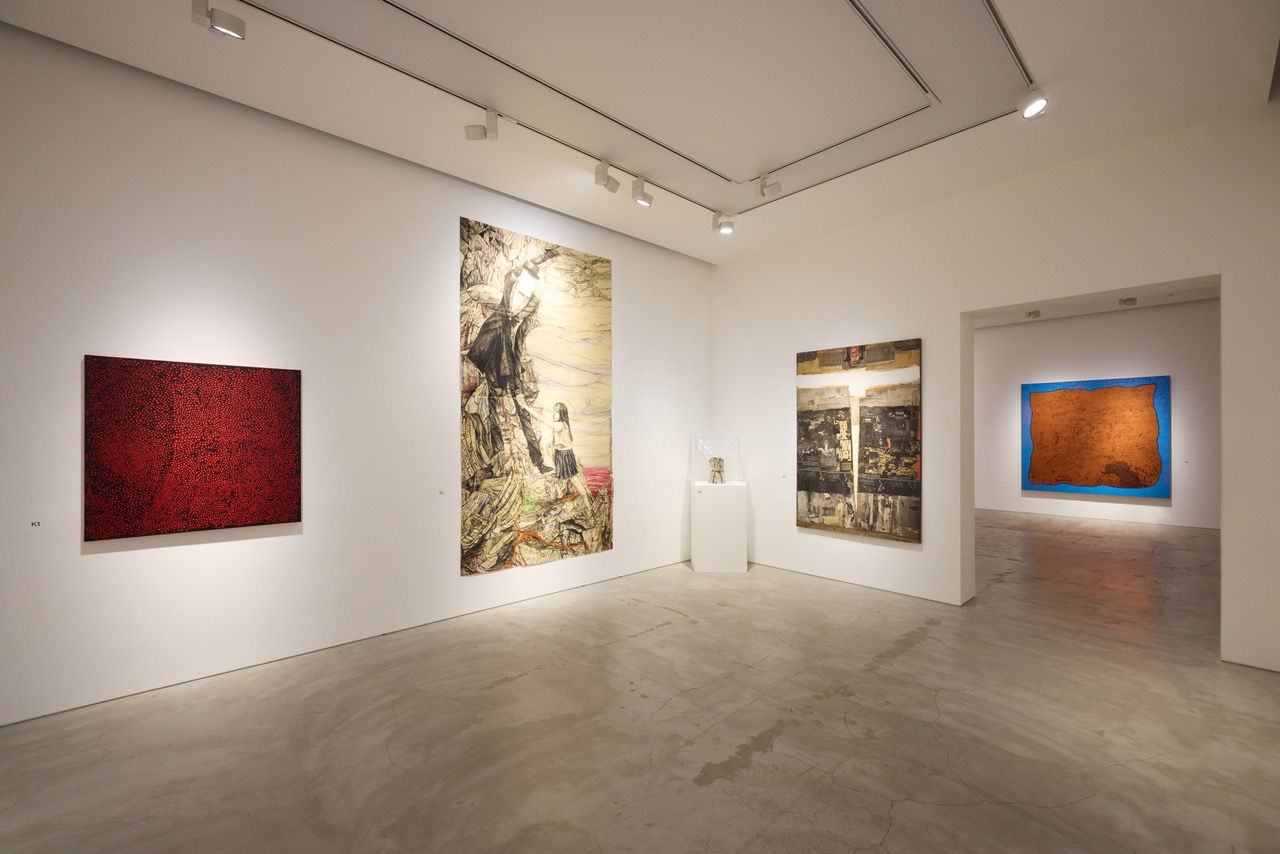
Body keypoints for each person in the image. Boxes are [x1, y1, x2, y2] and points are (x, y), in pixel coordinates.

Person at [551, 401, 579, 483]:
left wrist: (526, 407)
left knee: (564, 478)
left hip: (564, 455)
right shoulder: (562, 424)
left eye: (557, 412)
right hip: (561, 453)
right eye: (553, 411)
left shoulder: (561, 424)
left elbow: (543, 420)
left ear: (562, 413)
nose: (554, 414)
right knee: (565, 478)